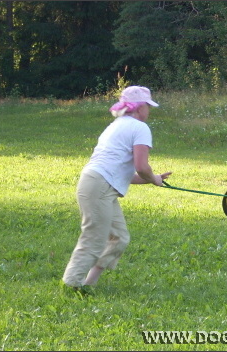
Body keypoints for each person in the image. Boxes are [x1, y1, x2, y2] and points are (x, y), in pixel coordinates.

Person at [62, 85, 172, 292]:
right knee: (94, 239)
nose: (149, 110)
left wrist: (153, 179)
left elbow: (125, 175)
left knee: (119, 238)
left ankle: (88, 284)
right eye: (148, 106)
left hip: (98, 184)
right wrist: (153, 179)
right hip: (99, 186)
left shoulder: (117, 125)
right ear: (139, 108)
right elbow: (141, 167)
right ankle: (71, 286)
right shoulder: (140, 128)